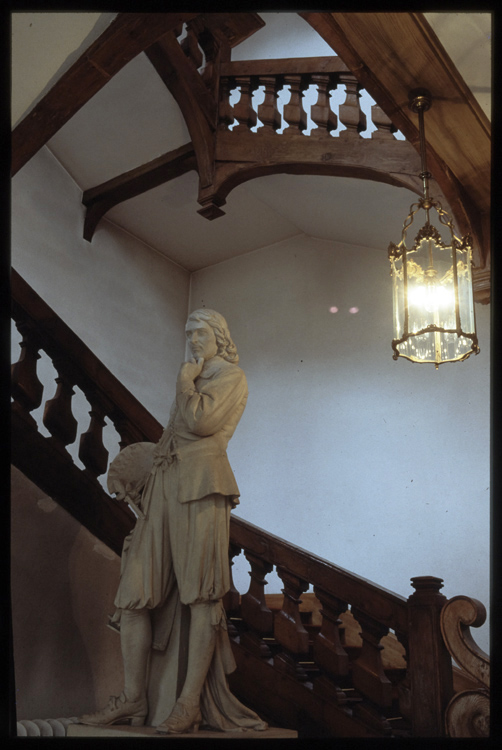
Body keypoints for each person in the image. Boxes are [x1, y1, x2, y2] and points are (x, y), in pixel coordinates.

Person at [78, 309, 267, 734]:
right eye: (189, 334)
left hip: (202, 486)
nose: (193, 341)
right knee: (133, 594)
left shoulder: (229, 377)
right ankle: (133, 699)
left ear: (219, 335)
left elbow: (201, 422)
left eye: (200, 333)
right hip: (165, 487)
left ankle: (188, 704)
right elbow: (171, 436)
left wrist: (184, 381)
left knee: (202, 595)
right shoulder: (195, 376)